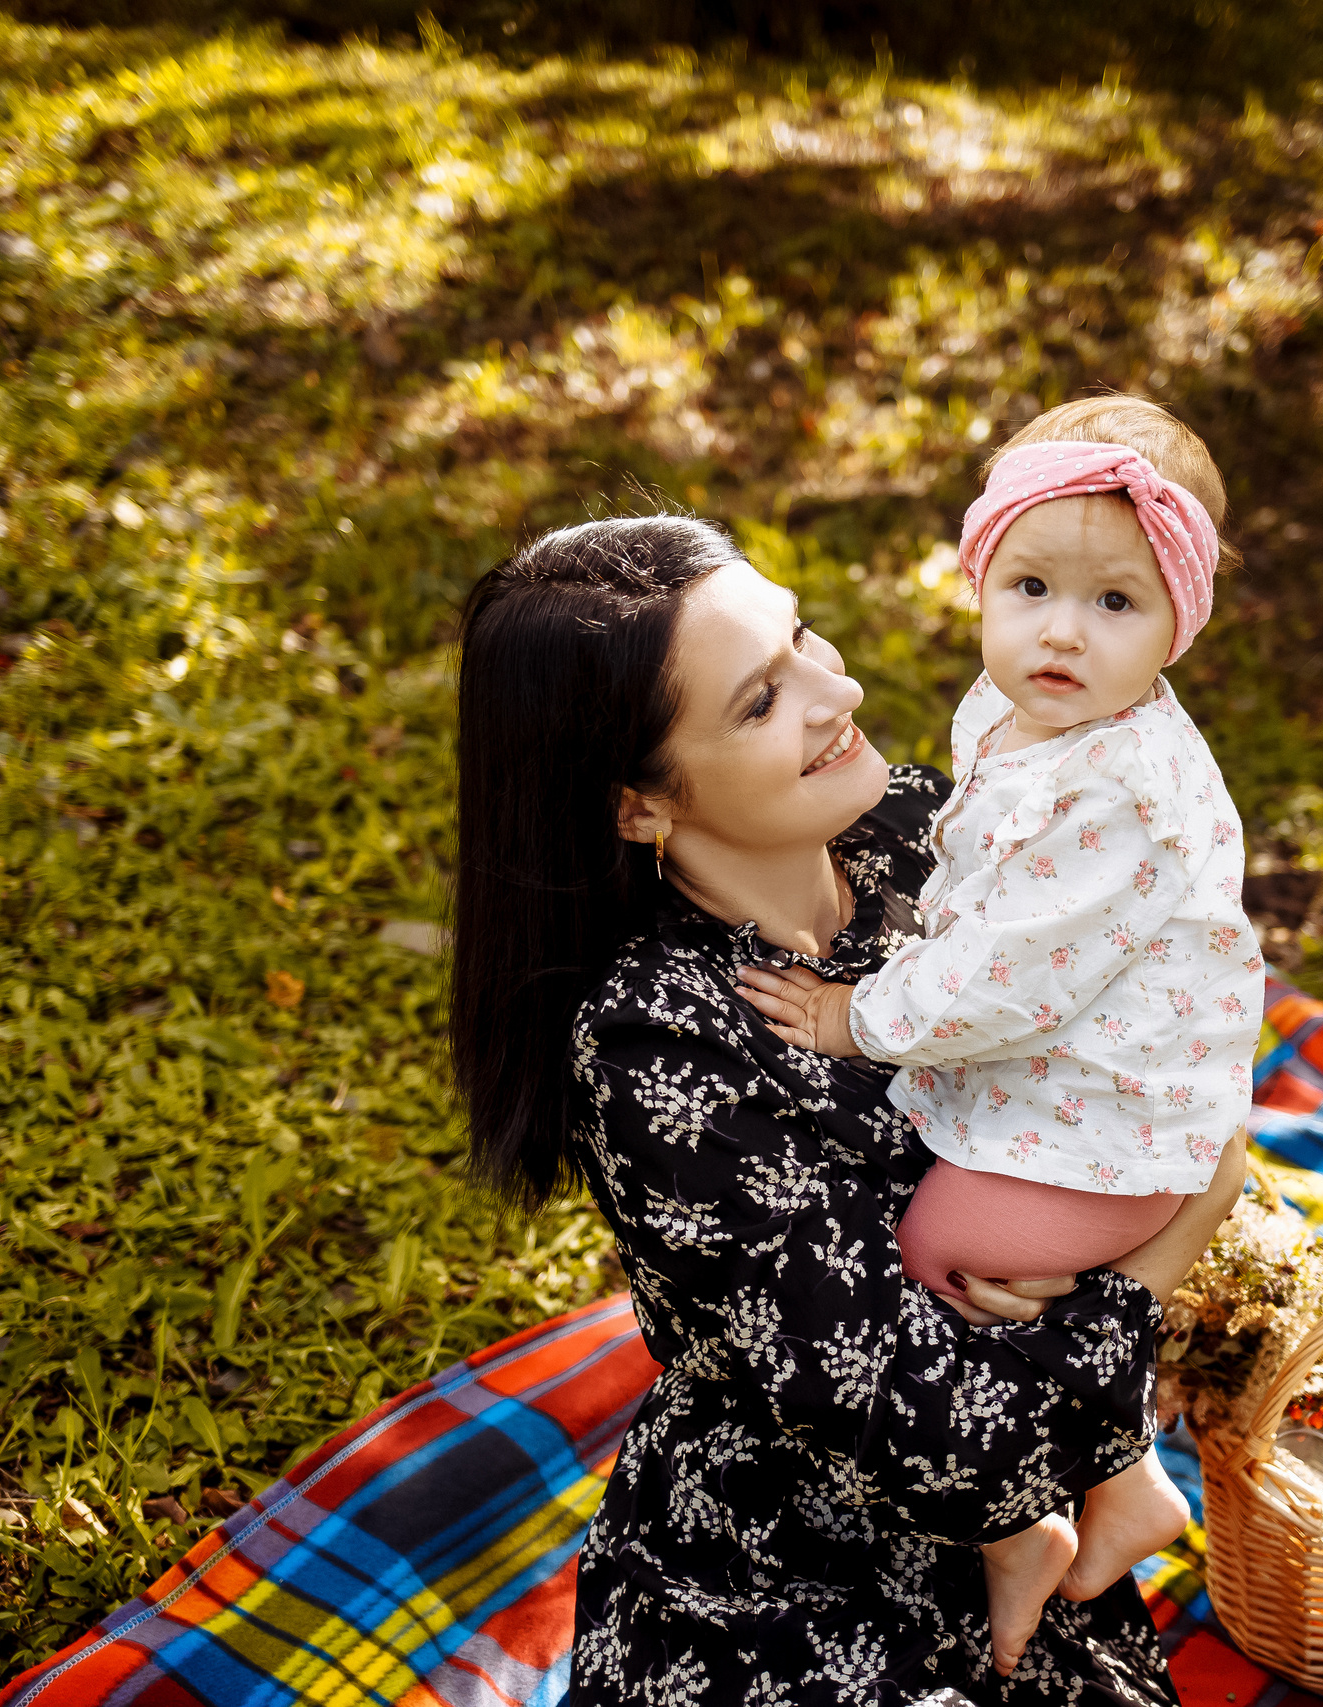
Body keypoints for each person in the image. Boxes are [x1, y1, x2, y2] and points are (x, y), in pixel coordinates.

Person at [448, 512, 1257, 1704]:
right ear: (637, 806)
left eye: (804, 640)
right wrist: (1169, 1244)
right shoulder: (657, 1047)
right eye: (759, 703)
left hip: (1039, 1489)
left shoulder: (919, 833)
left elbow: (1137, 1049)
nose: (840, 690)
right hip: (790, 1575)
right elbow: (936, 1434)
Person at [736, 400, 1261, 1670]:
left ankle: (1024, 1517)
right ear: (982, 579)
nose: (1062, 632)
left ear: (1178, 624)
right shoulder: (1023, 716)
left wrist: (856, 1019)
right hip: (1080, 1091)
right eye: (1030, 586)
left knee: (935, 1256)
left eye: (1116, 605)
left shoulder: (1121, 789)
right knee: (942, 1246)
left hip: (1116, 1128)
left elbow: (1011, 981)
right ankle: (1121, 1476)